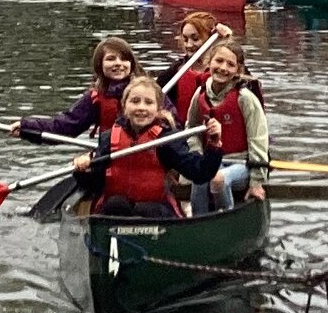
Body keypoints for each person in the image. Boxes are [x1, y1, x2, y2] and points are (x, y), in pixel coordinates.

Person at [71, 74, 221, 218]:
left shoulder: (167, 139)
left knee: (145, 209)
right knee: (115, 204)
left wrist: (213, 145)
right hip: (116, 213)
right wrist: (82, 169)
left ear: (158, 109)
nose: (141, 108)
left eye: (148, 102)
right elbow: (94, 184)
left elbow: (201, 173)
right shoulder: (108, 138)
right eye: (135, 101)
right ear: (124, 106)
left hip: (156, 211)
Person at [186, 38, 270, 212]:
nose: (223, 68)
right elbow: (191, 129)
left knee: (217, 179)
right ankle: (198, 219)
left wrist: (257, 182)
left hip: (241, 164)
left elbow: (258, 140)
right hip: (210, 160)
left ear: (238, 69)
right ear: (209, 62)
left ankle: (225, 216)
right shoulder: (200, 93)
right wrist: (197, 155)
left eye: (230, 65)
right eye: (219, 61)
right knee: (199, 177)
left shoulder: (245, 98)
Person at [11, 36, 138, 142]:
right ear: (100, 65)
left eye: (124, 59)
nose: (118, 63)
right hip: (111, 159)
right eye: (111, 59)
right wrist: (27, 128)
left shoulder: (148, 91)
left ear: (131, 64)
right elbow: (66, 126)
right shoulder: (95, 98)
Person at [156, 16, 228, 122]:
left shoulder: (227, 71)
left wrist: (227, 40)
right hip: (182, 135)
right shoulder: (171, 75)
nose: (189, 45)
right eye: (185, 39)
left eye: (195, 39)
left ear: (210, 38)